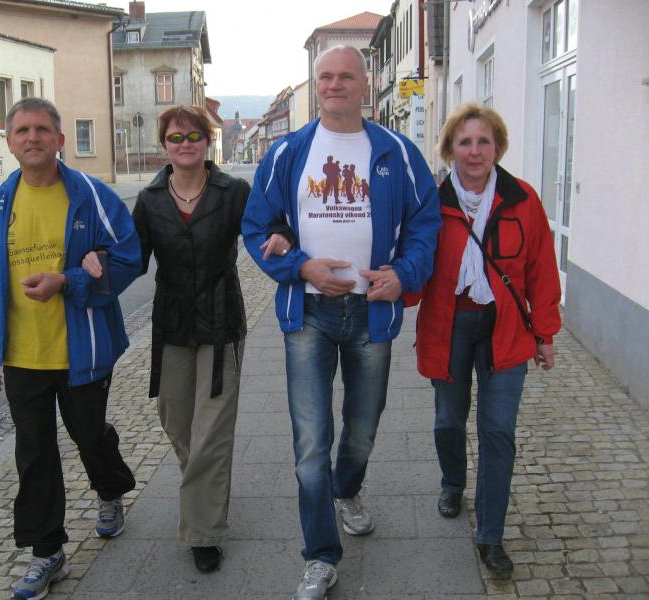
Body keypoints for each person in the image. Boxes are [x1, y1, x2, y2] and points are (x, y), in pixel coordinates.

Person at [242, 46, 441, 600]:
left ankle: (346, 489)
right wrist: (300, 267)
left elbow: (426, 223)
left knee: (362, 428)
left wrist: (403, 274)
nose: (335, 85)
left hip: (371, 311)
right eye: (325, 76)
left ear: (365, 83)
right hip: (308, 312)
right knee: (311, 441)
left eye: (346, 76)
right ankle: (320, 556)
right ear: (316, 83)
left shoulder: (397, 151)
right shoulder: (287, 152)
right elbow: (257, 226)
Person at [0, 98, 142, 599]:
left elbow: (130, 257)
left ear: (60, 140)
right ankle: (47, 552)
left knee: (89, 436)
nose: (33, 138)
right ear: (9, 141)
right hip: (22, 355)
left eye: (43, 129)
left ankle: (110, 490)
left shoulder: (89, 194)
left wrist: (68, 281)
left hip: (82, 349)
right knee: (34, 453)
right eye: (23, 130)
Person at [125, 105, 292, 574]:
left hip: (221, 322)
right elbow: (130, 259)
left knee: (213, 428)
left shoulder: (232, 192)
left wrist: (281, 234)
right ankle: (205, 489)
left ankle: (203, 531)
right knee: (177, 421)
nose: (185, 144)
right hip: (172, 322)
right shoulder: (150, 200)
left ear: (207, 141)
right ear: (165, 145)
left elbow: (268, 223)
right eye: (176, 137)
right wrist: (93, 260)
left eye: (194, 135)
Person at [410, 102, 561, 579]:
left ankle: (491, 536)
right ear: (449, 149)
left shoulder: (523, 199)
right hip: (449, 324)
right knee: (448, 419)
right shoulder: (431, 203)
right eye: (464, 142)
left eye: (483, 141)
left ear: (497, 147)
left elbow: (541, 269)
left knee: (498, 431)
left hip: (506, 328)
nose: (474, 151)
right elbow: (415, 265)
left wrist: (546, 333)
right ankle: (453, 482)